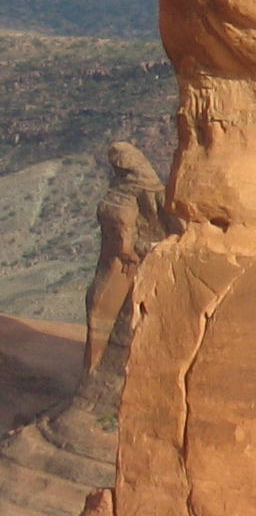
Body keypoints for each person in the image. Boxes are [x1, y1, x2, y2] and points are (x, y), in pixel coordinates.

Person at [83, 142, 166, 375]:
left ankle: (101, 379)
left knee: (113, 312)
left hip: (130, 264)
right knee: (97, 305)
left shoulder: (149, 191)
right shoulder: (121, 187)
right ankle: (92, 379)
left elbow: (165, 221)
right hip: (114, 262)